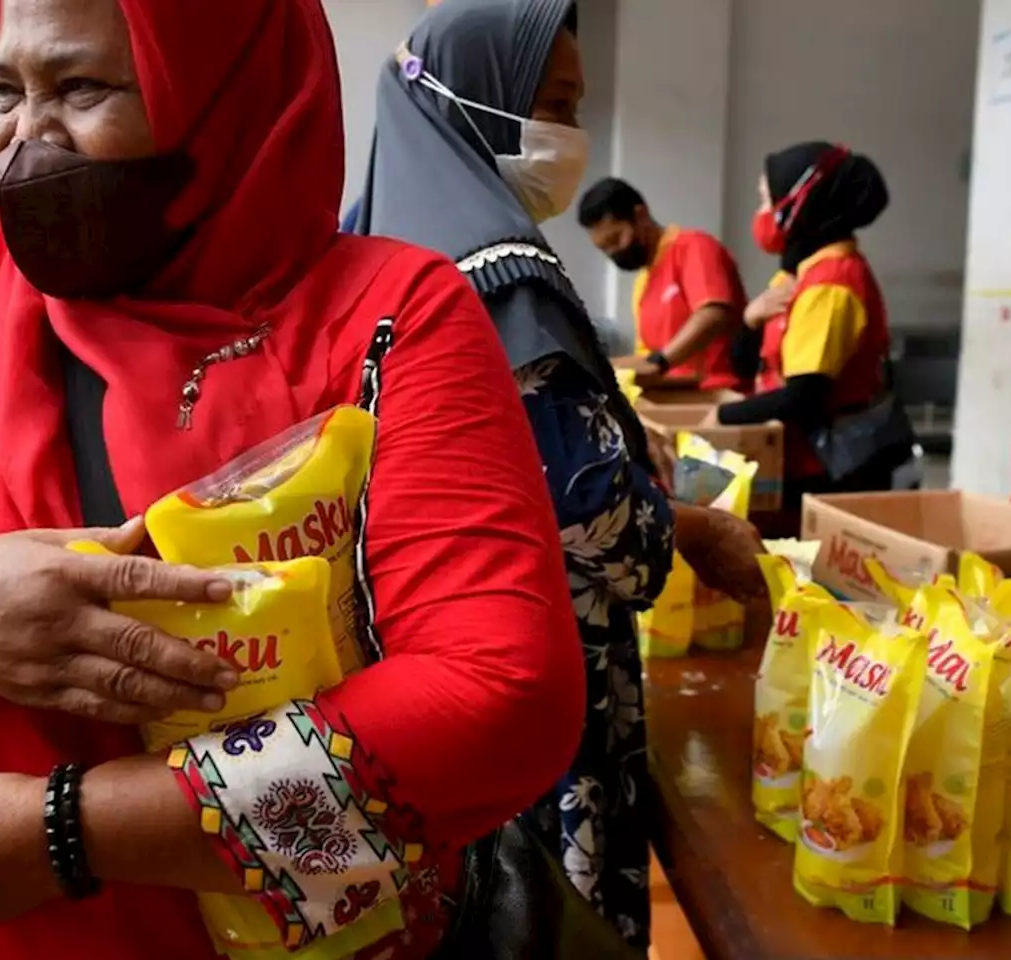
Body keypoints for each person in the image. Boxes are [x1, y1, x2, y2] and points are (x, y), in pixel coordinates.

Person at [0, 1, 589, 958]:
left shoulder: (389, 316)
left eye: (81, 88)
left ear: (225, 95)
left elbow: (500, 697)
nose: (26, 137)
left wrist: (62, 833)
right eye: (4, 92)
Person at [353, 0, 765, 949]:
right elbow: (592, 523)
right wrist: (690, 529)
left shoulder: (375, 249)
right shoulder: (499, 280)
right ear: (476, 100)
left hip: (409, 669)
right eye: (556, 105)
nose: (568, 137)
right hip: (529, 688)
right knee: (546, 923)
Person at [713, 141, 903, 511]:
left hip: (828, 471)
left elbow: (805, 396)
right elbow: (741, 363)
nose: (762, 214)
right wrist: (751, 320)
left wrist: (721, 418)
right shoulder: (798, 273)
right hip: (793, 460)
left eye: (767, 201)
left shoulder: (833, 282)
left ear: (800, 203)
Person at [578, 177, 750, 391]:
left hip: (714, 397)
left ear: (640, 215)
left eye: (616, 239)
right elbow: (647, 359)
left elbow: (713, 313)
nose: (613, 252)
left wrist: (662, 361)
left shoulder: (694, 247)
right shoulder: (644, 282)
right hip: (671, 398)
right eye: (604, 248)